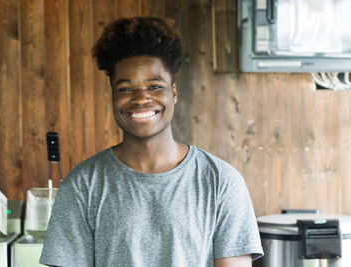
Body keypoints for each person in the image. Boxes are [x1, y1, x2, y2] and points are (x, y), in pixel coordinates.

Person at [40, 16, 263, 267]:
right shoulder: (83, 184)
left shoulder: (220, 180)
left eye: (155, 86)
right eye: (125, 89)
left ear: (174, 93)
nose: (141, 98)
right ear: (113, 96)